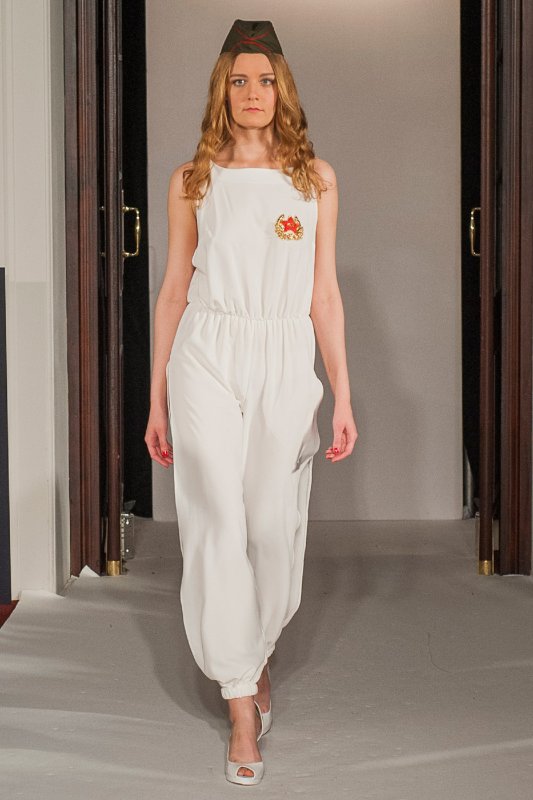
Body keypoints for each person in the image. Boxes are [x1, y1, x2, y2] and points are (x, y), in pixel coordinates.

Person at [145, 18, 358, 786]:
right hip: (205, 353)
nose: (251, 92)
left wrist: (342, 394)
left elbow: (323, 295)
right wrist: (156, 397)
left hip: (281, 358)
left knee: (269, 527)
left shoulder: (314, 179)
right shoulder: (192, 179)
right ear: (221, 90)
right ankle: (240, 703)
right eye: (238, 80)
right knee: (216, 521)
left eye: (264, 79)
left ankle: (253, 652)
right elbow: (174, 290)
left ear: (282, 89)